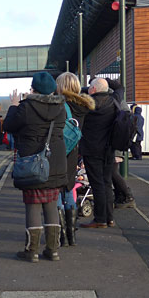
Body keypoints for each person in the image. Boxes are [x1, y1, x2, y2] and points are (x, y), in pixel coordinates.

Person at [4, 71, 67, 262]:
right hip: (55, 161)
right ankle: (53, 250)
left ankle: (32, 252)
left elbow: (8, 126)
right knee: (51, 205)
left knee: (33, 205)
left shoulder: (26, 107)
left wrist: (14, 106)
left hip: (32, 161)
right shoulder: (61, 108)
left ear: (33, 88)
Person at [55, 72, 94, 246]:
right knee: (69, 189)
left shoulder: (58, 104)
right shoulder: (84, 106)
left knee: (56, 190)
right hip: (74, 152)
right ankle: (71, 236)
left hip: (58, 151)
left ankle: (60, 234)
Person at [79, 78, 124, 229]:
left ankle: (100, 219)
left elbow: (80, 91)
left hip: (91, 149)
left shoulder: (86, 103)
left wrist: (90, 86)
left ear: (92, 90)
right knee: (106, 183)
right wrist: (106, 81)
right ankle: (109, 218)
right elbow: (119, 87)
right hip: (109, 149)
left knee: (96, 184)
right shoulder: (114, 100)